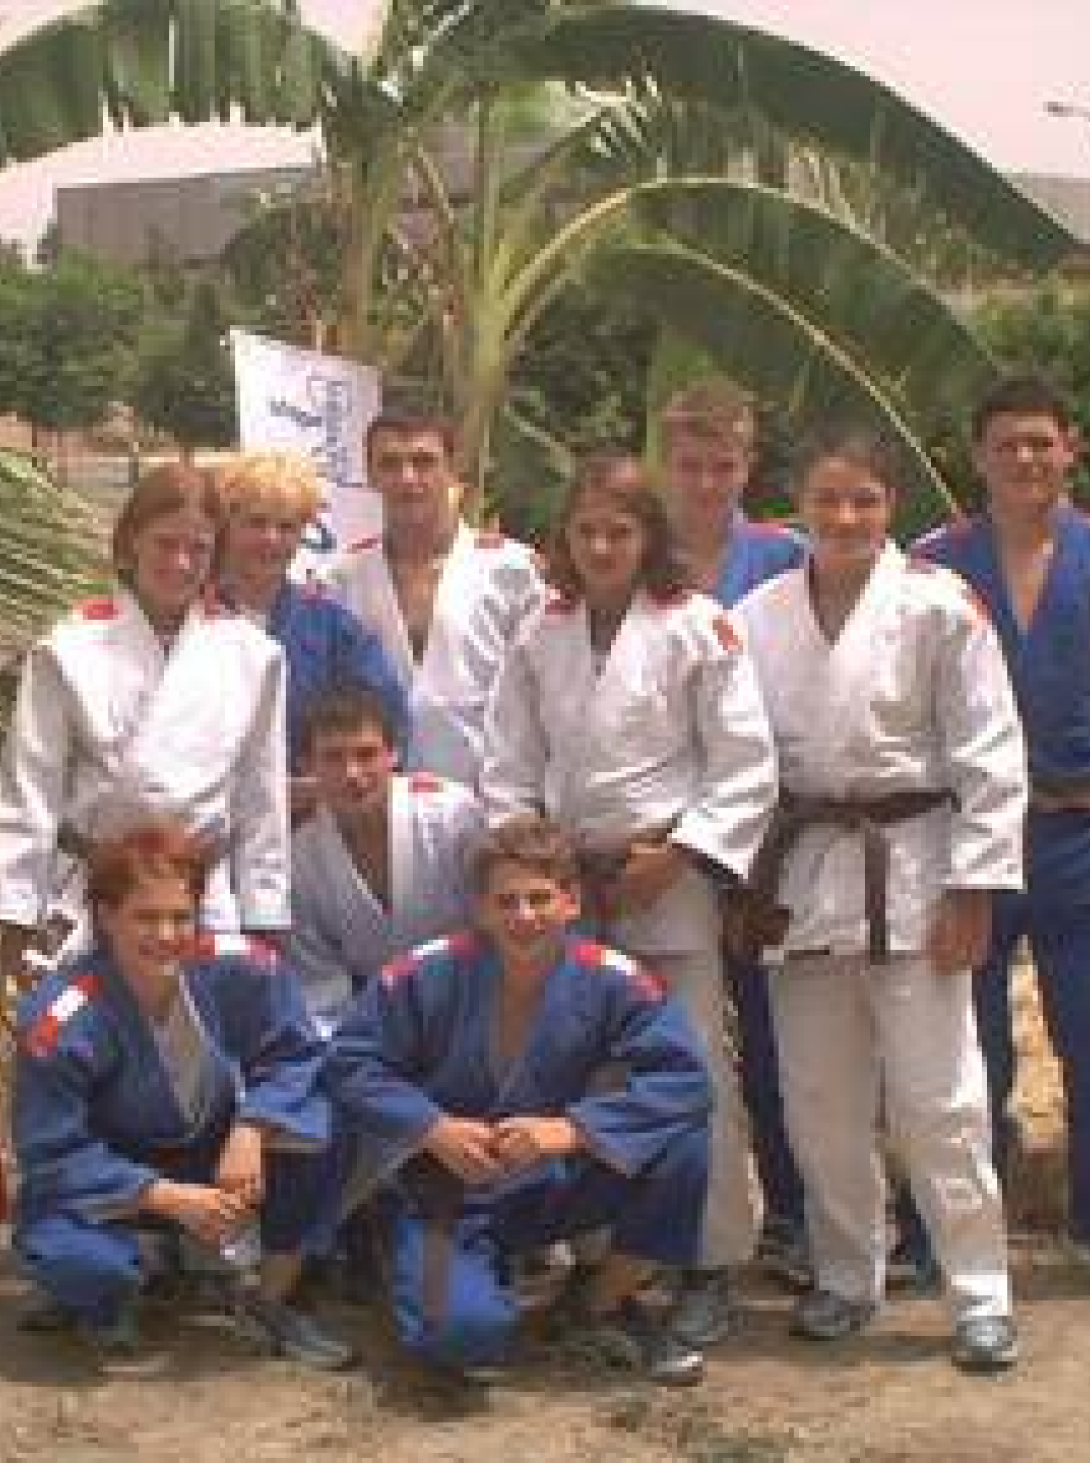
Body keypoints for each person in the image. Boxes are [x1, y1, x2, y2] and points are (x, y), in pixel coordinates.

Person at [737, 426, 1027, 1372]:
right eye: (828, 498)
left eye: (863, 498)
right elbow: (737, 757)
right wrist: (742, 878)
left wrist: (975, 885)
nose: (845, 516)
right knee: (819, 1097)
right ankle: (846, 1274)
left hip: (914, 871)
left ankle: (979, 1289)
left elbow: (990, 752)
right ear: (800, 503)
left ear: (889, 505)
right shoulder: (758, 614)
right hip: (803, 876)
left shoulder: (939, 605)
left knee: (939, 1096)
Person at [480, 454, 778, 1347]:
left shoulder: (700, 624)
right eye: (587, 531)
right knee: (587, 1074)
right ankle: (606, 1259)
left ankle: (710, 1259)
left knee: (693, 1071)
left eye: (620, 530)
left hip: (667, 878)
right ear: (565, 538)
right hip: (570, 884)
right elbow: (508, 758)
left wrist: (681, 854)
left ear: (649, 536)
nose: (603, 546)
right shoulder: (541, 628)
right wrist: (532, 853)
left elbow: (744, 763)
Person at [325, 817, 713, 1384]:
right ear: (480, 909)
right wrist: (431, 1127)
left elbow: (686, 1081)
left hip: (550, 1179)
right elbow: (348, 1062)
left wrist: (574, 1131)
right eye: (506, 902)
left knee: (682, 1142)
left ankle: (601, 1303)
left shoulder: (611, 979)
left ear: (572, 902)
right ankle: (428, 1266)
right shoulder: (429, 972)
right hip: (447, 1191)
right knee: (460, 1338)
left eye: (540, 899)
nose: (524, 917)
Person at [12, 821, 351, 1369]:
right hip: (111, 1176)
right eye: (146, 918)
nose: (167, 935)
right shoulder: (61, 1017)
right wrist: (165, 1197)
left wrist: (252, 1128)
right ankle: (124, 1282)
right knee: (82, 1265)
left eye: (181, 916)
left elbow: (296, 1055)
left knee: (320, 1116)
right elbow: (51, 1152)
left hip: (210, 1153)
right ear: (107, 917)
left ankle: (270, 1298)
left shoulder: (241, 969)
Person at [914, 373, 1090, 1260]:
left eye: (1041, 442)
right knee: (961, 1040)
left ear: (1071, 450)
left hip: (1078, 832)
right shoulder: (931, 564)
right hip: (964, 836)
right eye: (1007, 444)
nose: (1026, 458)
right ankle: (955, 1234)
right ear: (977, 457)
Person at [0, 462, 289, 986]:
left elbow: (261, 799)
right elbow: (30, 793)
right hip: (92, 893)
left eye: (198, 548)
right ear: (131, 540)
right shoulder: (68, 649)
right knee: (77, 1030)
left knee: (200, 1032)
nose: (181, 563)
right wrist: (13, 912)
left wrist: (264, 915)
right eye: (165, 543)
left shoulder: (254, 656)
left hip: (198, 899)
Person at [660, 380, 808, 1280]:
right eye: (691, 465)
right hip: (661, 835)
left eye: (723, 465)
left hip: (773, 835)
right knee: (678, 1036)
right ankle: (669, 1222)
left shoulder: (789, 556)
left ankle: (791, 1209)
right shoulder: (640, 553)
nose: (708, 482)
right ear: (666, 465)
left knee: (774, 1028)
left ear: (748, 465)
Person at [330, 411, 542, 785]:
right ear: (370, 475)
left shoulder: (513, 570)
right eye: (390, 464)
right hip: (376, 797)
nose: (407, 478)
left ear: (452, 469)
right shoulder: (340, 578)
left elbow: (544, 691)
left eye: (424, 461)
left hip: (490, 793)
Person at [215, 451, 409, 813]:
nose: (271, 539)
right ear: (226, 526)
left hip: (311, 822)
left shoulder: (333, 629)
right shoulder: (191, 620)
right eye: (256, 523)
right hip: (207, 818)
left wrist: (325, 785)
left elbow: (388, 721)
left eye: (287, 527)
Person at [290, 685, 483, 1035]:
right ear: (307, 766)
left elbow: (494, 921)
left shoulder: (452, 815)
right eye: (333, 758)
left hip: (473, 1002)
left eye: (366, 755)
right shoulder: (300, 857)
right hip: (374, 1018)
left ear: (394, 754)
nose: (352, 773)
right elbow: (320, 987)